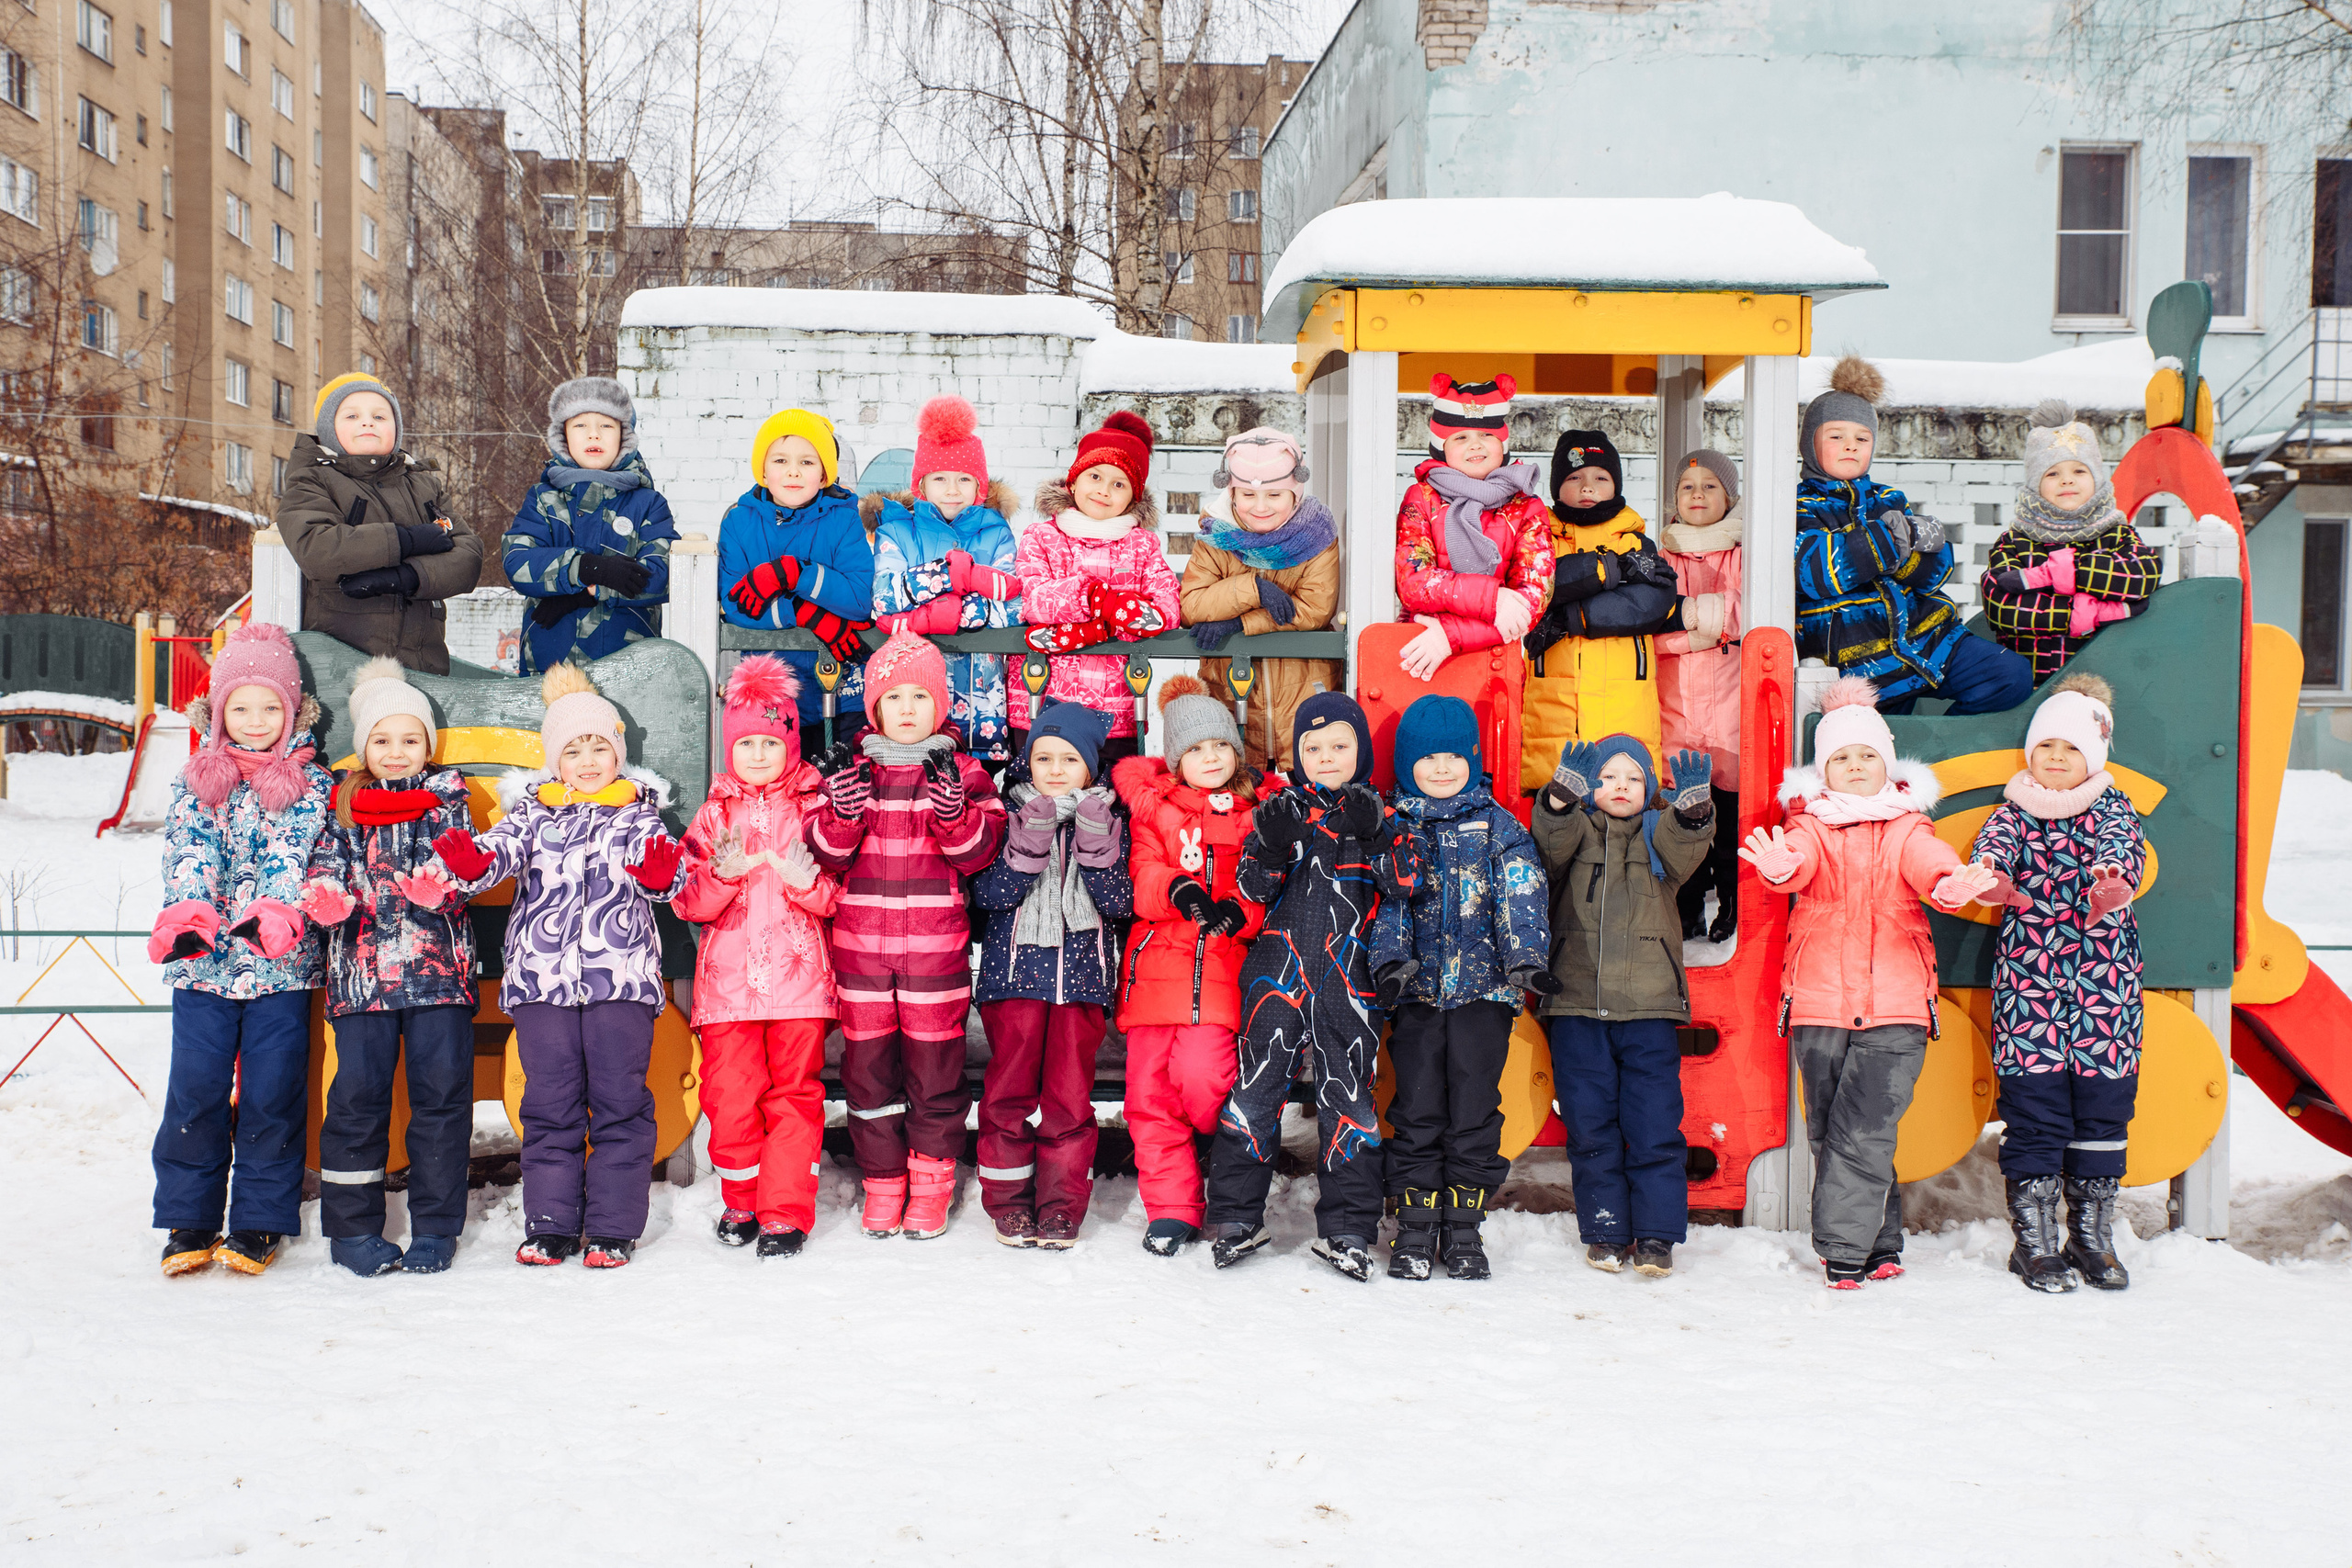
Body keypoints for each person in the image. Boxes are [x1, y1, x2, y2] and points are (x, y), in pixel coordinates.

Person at [1737, 677, 2005, 1287]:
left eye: (1866, 756)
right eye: (1841, 757)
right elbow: (1797, 859)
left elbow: (1928, 861)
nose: (1855, 766)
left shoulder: (1907, 824)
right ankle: (1882, 1242)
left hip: (1896, 1006)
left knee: (1865, 1129)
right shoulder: (1812, 825)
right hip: (1821, 1004)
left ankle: (1842, 1253)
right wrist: (1782, 871)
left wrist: (1948, 883)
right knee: (1835, 1131)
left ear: (1885, 764)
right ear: (1823, 769)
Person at [429, 663, 687, 1269]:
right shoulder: (532, 814)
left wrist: (658, 874)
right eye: (575, 748)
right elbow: (496, 856)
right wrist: (469, 862)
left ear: (618, 753)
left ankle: (612, 1227)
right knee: (550, 1101)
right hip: (543, 981)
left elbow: (671, 878)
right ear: (555, 760)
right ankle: (550, 1223)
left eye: (600, 745)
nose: (590, 758)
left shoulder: (638, 813)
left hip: (619, 980)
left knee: (620, 1099)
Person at [1204, 694, 1421, 1280]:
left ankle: (1349, 1228)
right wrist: (1272, 847)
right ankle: (1233, 1218)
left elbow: (1407, 884)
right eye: (1313, 748)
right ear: (1298, 754)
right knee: (1255, 1087)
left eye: (1339, 746)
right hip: (1278, 972)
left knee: (1348, 1094)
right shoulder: (1281, 810)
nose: (1326, 758)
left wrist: (1377, 836)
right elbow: (1250, 889)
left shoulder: (1386, 812)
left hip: (1350, 978)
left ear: (1361, 750)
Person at [805, 629, 1009, 1242]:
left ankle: (930, 1184)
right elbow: (826, 856)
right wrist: (841, 813)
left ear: (941, 706)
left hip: (934, 957)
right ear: (874, 708)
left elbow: (978, 854)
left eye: (922, 696)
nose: (909, 710)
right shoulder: (855, 773)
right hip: (862, 954)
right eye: (895, 698)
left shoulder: (964, 771)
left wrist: (954, 811)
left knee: (935, 1073)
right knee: (869, 1075)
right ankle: (884, 1182)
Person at [148, 623, 334, 1277]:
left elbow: (296, 853)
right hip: (204, 966)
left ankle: (258, 1219)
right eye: (241, 707)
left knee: (271, 1090)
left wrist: (279, 908)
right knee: (195, 1089)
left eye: (270, 707)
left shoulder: (309, 785)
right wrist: (190, 910)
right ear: (219, 711)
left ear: (292, 711)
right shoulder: (197, 779)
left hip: (278, 965)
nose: (255, 721)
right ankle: (188, 1216)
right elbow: (187, 848)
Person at [1962, 672, 2146, 1292]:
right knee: (2035, 1110)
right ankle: (2034, 1241)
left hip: (2104, 985)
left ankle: (2091, 1234)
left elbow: (2125, 847)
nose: (2058, 759)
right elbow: (1995, 845)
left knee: (2102, 1109)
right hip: (2032, 983)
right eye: (2047, 747)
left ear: (2093, 756)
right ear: (2031, 754)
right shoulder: (2017, 810)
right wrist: (1989, 872)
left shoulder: (2112, 809)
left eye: (2071, 749)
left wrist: (2113, 878)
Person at [298, 657, 477, 1277]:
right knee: (356, 1098)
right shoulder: (343, 805)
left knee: (442, 1098)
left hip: (439, 980)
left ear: (427, 745)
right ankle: (352, 1230)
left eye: (409, 739)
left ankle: (435, 1226)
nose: (396, 752)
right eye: (382, 739)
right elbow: (325, 864)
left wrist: (443, 883)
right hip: (362, 980)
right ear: (363, 745)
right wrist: (326, 895)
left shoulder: (447, 799)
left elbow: (465, 865)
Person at [1370, 695, 1552, 1281]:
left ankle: (1465, 1229)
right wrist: (1391, 963)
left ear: (1473, 759)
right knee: (1417, 1107)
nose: (1442, 768)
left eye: (1454, 757)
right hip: (1418, 995)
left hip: (1483, 997)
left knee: (1475, 1108)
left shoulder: (1500, 827)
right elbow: (1390, 905)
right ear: (1406, 764)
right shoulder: (1396, 827)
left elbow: (1520, 895)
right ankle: (1416, 1228)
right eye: (1429, 759)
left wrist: (1525, 960)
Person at [673, 657, 841, 1259]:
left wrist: (802, 880)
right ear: (730, 748)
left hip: (799, 986)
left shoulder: (815, 809)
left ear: (792, 742)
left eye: (773, 741)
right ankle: (741, 1197)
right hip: (728, 991)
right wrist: (721, 876)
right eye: (748, 743)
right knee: (730, 1094)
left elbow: (835, 897)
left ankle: (784, 1212)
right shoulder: (715, 814)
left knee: (794, 1094)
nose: (761, 753)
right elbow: (687, 900)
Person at [1531, 735, 1715, 1278]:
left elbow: (1688, 846)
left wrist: (1693, 814)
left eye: (1633, 778)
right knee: (1590, 1129)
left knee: (1654, 1125)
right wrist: (1560, 800)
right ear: (1593, 786)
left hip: (1649, 1010)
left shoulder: (1660, 836)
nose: (1620, 787)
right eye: (1608, 777)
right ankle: (1606, 1231)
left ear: (1650, 789)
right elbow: (1549, 843)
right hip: (1578, 1008)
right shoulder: (1580, 830)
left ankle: (1657, 1235)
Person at [1112, 677, 1263, 1257]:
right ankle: (1173, 1209)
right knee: (1150, 1099)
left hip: (1221, 973)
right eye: (1196, 750)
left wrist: (1238, 909)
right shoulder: (1155, 812)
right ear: (1176, 759)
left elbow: (1262, 886)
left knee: (1206, 1078)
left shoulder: (1253, 816)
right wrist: (1177, 889)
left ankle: (1211, 1149)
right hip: (1154, 976)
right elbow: (1143, 874)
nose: (1210, 759)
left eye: (1220, 747)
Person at [971, 703, 1131, 1247]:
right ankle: (1008, 1202)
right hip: (1013, 979)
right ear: (1028, 761)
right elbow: (989, 895)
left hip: (1080, 984)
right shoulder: (1005, 812)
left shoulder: (1110, 818)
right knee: (1008, 1096)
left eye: (1069, 758)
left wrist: (1094, 845)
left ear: (1091, 767)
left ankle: (1062, 1205)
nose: (1056, 768)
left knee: (1068, 1100)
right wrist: (1028, 845)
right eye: (1044, 756)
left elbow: (1117, 903)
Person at [1793, 355, 2032, 715]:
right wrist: (1892, 541)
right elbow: (1818, 572)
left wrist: (1905, 552)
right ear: (1811, 444)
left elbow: (1936, 572)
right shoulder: (1799, 506)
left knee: (2010, 674)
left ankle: (1945, 747)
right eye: (1836, 436)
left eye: (1862, 437)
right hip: (1858, 659)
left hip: (1929, 640)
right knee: (1884, 734)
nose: (1851, 445)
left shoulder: (1889, 499)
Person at [277, 372, 484, 674]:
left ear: (396, 429)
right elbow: (316, 546)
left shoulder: (424, 485)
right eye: (352, 415)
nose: (367, 422)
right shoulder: (312, 480)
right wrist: (405, 541)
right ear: (328, 429)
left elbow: (468, 555)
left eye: (379, 415)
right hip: (345, 668)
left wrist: (411, 576)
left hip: (424, 668)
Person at [1013, 411, 1181, 764]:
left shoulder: (1142, 546)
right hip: (1043, 700)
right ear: (1073, 482)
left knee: (1108, 811)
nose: (1104, 490)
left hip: (1116, 709)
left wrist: (1091, 628)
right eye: (1095, 476)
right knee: (1040, 805)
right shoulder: (1041, 537)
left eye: (1119, 484)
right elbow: (1035, 601)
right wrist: (1100, 600)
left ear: (1133, 497)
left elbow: (1164, 608)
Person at [865, 395, 1025, 764]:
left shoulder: (996, 534)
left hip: (980, 695)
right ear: (921, 484)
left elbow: (1015, 607)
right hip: (912, 698)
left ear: (979, 486)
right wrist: (948, 575)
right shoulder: (897, 532)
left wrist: (954, 611)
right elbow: (884, 600)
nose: (952, 489)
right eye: (940, 478)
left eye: (964, 479)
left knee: (978, 789)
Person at [1519, 429, 1677, 794]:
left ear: (1616, 485)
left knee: (1624, 806)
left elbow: (1654, 603)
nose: (1587, 487)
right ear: (1557, 487)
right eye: (1574, 477)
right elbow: (1540, 581)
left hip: (1625, 705)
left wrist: (1570, 617)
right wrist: (1611, 568)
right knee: (1554, 815)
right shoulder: (1538, 538)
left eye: (1600, 478)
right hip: (1551, 710)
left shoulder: (1636, 541)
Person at [1178, 426, 1341, 773]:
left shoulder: (1318, 536)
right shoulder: (1214, 538)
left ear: (1294, 494)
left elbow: (1313, 609)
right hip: (1231, 698)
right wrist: (1253, 589)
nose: (1261, 507)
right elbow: (1192, 605)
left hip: (1303, 697)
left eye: (1275, 495)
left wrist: (1239, 622)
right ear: (1233, 494)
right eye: (1249, 496)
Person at [503, 377, 679, 676]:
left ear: (624, 436)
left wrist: (591, 592)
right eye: (580, 426)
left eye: (606, 426)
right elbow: (518, 561)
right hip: (549, 673)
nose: (593, 435)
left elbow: (662, 575)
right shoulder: (544, 500)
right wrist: (584, 567)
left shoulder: (649, 504)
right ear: (564, 436)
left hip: (631, 673)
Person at [718, 408, 876, 741]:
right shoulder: (739, 522)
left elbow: (859, 598)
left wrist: (792, 573)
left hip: (842, 689)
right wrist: (806, 613)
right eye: (780, 461)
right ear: (762, 470)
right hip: (772, 693)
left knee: (842, 786)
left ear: (823, 475)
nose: (793, 472)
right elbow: (736, 605)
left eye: (807, 462)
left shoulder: (845, 519)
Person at [1392, 374, 1554, 682]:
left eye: (1486, 435)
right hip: (1423, 653)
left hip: (1495, 662)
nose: (1475, 445)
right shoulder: (1422, 497)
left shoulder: (1527, 507)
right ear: (1442, 448)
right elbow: (1413, 582)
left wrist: (1450, 636)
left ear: (1502, 444)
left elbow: (1532, 601)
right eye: (1460, 437)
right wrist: (1494, 599)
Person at [1982, 400, 2158, 681]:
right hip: (2031, 683)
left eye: (2079, 471)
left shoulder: (2116, 535)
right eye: (2052, 474)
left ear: (2096, 478)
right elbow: (2002, 605)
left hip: (2104, 681)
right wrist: (2090, 613)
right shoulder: (2014, 541)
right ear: (2035, 484)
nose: (2067, 481)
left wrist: (2067, 572)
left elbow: (2140, 575)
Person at [1657, 449, 1747, 942]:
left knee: (1731, 821)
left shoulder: (1743, 553)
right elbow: (1647, 624)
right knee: (1681, 816)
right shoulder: (1658, 554)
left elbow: (1747, 610)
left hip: (1732, 708)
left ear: (1729, 498)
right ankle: (1686, 907)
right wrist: (1705, 630)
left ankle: (1732, 905)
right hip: (1677, 708)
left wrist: (1682, 618)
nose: (1698, 494)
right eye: (1687, 487)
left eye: (1711, 486)